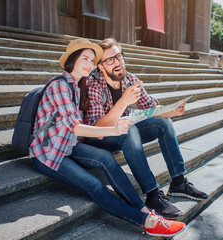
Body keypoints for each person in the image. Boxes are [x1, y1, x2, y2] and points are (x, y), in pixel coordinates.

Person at [29, 38, 186, 237]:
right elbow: (76, 128)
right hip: (49, 153)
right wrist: (113, 130)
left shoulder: (76, 86)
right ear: (72, 60)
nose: (89, 65)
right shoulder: (60, 86)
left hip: (68, 145)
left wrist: (171, 111)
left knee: (106, 159)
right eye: (84, 59)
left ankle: (148, 211)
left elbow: (72, 129)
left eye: (92, 60)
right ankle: (147, 220)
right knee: (94, 185)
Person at [84, 38, 208, 220]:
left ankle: (179, 183)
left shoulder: (130, 79)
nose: (117, 63)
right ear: (101, 67)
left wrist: (171, 111)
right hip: (99, 139)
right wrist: (123, 102)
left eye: (119, 56)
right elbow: (96, 126)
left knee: (162, 123)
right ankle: (152, 194)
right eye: (110, 60)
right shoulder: (93, 84)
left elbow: (151, 107)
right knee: (129, 127)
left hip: (122, 134)